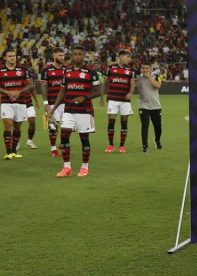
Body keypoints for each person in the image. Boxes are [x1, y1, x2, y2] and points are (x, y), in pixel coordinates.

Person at [47, 45, 102, 177]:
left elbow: (99, 91)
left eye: (79, 54)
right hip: (69, 110)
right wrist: (53, 109)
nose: (77, 56)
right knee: (64, 135)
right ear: (72, 55)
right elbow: (62, 91)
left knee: (84, 138)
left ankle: (84, 167)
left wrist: (85, 97)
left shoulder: (90, 72)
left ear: (83, 56)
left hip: (84, 110)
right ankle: (67, 167)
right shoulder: (67, 71)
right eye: (75, 54)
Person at [1, 49, 36, 160]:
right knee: (8, 124)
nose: (13, 58)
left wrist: (19, 92)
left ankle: (14, 150)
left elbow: (31, 85)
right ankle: (8, 152)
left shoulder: (23, 69)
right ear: (5, 58)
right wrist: (8, 92)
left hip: (21, 102)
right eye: (10, 56)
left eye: (14, 56)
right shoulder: (1, 70)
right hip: (6, 102)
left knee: (17, 126)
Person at [103, 48, 136, 153]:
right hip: (113, 98)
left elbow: (132, 83)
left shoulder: (131, 70)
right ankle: (110, 145)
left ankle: (122, 146)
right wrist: (102, 96)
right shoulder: (110, 68)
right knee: (111, 121)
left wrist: (130, 93)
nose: (129, 59)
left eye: (129, 57)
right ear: (121, 57)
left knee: (124, 122)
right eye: (127, 57)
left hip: (124, 100)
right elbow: (105, 83)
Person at [41, 47, 67, 157]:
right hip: (52, 101)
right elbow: (43, 86)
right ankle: (53, 148)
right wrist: (45, 103)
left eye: (63, 55)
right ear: (54, 56)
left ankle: (62, 144)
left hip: (66, 102)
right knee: (53, 126)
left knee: (68, 126)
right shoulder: (46, 69)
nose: (62, 57)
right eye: (60, 55)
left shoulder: (67, 69)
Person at [137, 61, 163, 152]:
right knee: (145, 125)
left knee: (158, 126)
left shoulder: (156, 77)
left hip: (156, 106)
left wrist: (149, 78)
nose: (144, 70)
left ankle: (157, 140)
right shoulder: (138, 79)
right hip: (143, 105)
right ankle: (145, 146)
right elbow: (133, 87)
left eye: (147, 68)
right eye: (143, 68)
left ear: (151, 69)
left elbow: (158, 86)